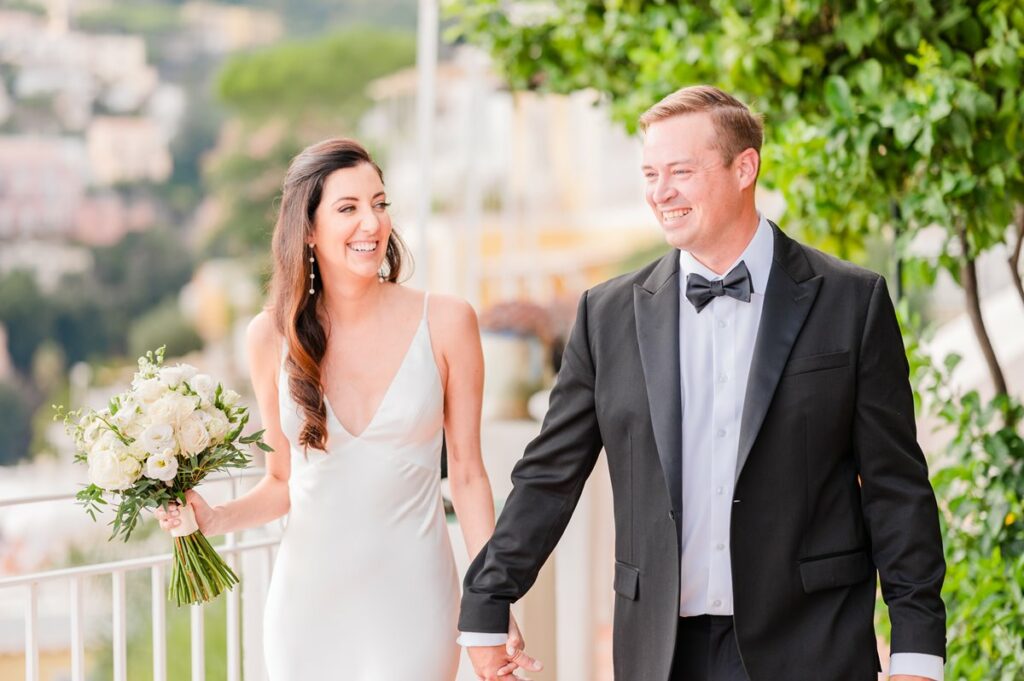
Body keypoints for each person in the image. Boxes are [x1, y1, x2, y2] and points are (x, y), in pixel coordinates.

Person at [458, 86, 946, 681]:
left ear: (745, 168)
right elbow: (547, 478)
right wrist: (487, 604)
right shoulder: (606, 315)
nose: (660, 192)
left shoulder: (851, 300)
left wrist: (918, 650)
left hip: (813, 645)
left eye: (680, 172)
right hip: (661, 652)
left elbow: (897, 489)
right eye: (650, 173)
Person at [156, 138, 540, 680]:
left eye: (379, 204)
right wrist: (212, 518)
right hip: (307, 608)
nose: (372, 223)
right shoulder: (270, 336)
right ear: (308, 229)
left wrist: (490, 607)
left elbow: (471, 476)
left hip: (415, 600)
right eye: (348, 208)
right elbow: (282, 482)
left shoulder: (448, 321)